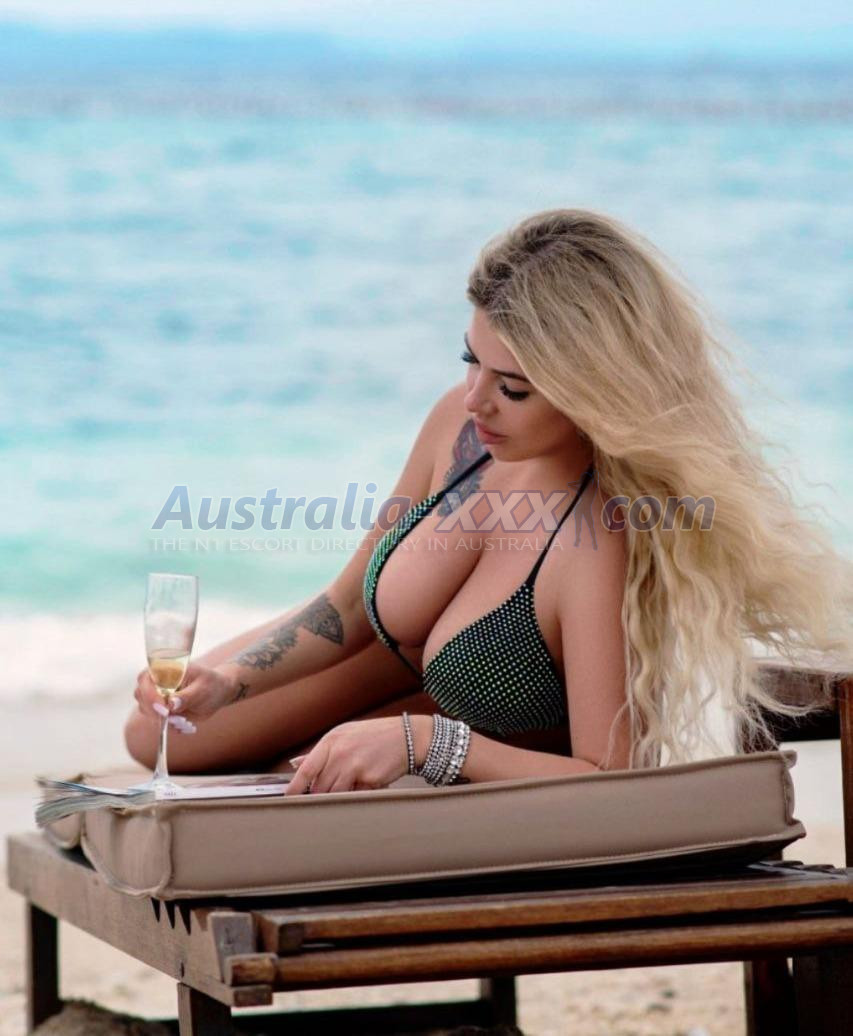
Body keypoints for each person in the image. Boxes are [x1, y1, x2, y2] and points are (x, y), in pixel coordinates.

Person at [126, 208, 853, 794]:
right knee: (156, 731)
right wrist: (231, 681)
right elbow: (347, 604)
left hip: (485, 730)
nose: (476, 400)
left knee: (261, 772)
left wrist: (426, 742)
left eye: (512, 388)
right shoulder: (460, 427)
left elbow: (614, 780)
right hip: (399, 670)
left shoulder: (598, 533)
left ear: (595, 394)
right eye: (470, 360)